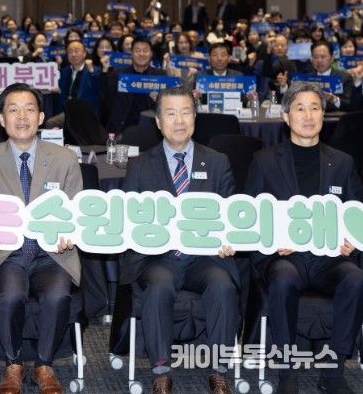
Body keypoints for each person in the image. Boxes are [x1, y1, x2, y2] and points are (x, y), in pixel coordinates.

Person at [244, 81, 363, 394]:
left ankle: (334, 372)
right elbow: (248, 218)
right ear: (286, 116)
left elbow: (357, 212)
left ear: (323, 115)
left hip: (329, 258)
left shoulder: (342, 162)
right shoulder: (264, 161)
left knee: (355, 278)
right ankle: (287, 372)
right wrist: (270, 244)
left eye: (315, 108)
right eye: (300, 108)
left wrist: (353, 241)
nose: (308, 116)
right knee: (283, 278)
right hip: (285, 257)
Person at [119, 86, 238, 394]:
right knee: (159, 285)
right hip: (159, 257)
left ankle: (220, 370)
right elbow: (128, 219)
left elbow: (231, 215)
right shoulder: (140, 165)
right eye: (171, 114)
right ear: (159, 122)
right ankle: (161, 371)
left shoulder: (217, 162)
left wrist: (230, 239)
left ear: (195, 118)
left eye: (186, 112)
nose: (179, 121)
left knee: (222, 285)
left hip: (204, 257)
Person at [0, 83, 82, 394]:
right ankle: (13, 364)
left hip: (52, 253)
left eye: (29, 109)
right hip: (5, 254)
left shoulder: (65, 159)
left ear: (41, 117)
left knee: (58, 295)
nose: (22, 117)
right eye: (13, 110)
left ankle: (44, 365)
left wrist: (71, 234)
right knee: (10, 295)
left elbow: (77, 210)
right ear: (2, 119)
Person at [101, 38, 167, 133]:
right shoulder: (118, 74)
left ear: (151, 54)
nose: (141, 54)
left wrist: (159, 100)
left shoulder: (161, 76)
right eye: (137, 50)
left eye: (145, 50)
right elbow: (106, 101)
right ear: (131, 53)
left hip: (152, 129)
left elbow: (168, 106)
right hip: (122, 129)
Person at [46, 40, 101, 128]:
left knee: (51, 123)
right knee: (51, 122)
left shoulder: (93, 70)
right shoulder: (64, 71)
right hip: (67, 110)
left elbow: (97, 89)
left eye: (76, 51)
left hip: (85, 111)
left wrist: (92, 72)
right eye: (70, 51)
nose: (73, 54)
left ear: (84, 53)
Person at [308, 40, 361, 111]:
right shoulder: (307, 79)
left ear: (332, 58)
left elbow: (350, 104)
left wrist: (334, 99)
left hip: (335, 116)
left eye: (323, 57)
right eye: (315, 57)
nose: (319, 60)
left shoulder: (344, 77)